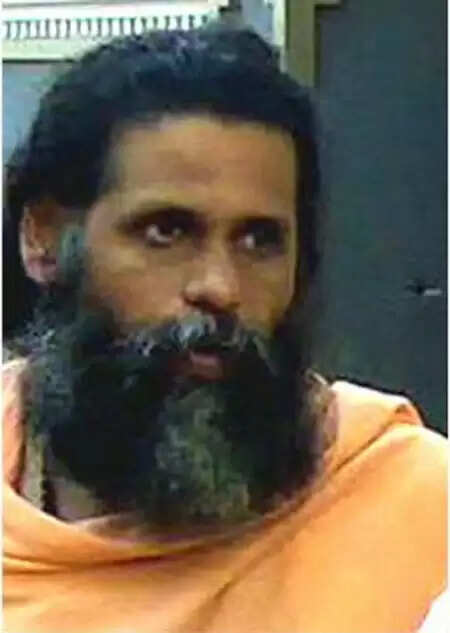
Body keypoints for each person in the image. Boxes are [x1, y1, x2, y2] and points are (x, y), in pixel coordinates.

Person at [2, 28, 447, 633]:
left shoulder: (418, 515)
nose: (220, 287)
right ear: (43, 237)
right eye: (166, 231)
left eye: (259, 240)